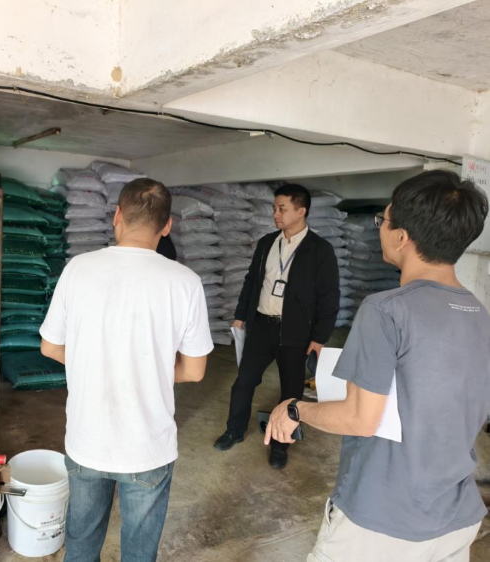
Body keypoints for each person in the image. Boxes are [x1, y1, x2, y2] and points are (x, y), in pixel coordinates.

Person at [265, 170, 490, 562]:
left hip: (381, 523)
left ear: (401, 237)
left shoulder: (385, 310)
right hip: (455, 519)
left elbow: (360, 419)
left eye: (382, 220)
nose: (380, 229)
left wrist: (295, 409)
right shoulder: (479, 314)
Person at [40, 178, 214, 562]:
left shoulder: (78, 269)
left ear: (117, 215)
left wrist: (96, 359)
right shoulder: (186, 282)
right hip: (147, 448)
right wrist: (147, 368)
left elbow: (50, 347)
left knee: (81, 547)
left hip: (87, 442)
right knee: (139, 553)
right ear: (167, 226)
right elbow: (195, 371)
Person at [214, 184, 340, 469]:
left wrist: (319, 338)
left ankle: (281, 445)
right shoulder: (267, 243)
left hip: (296, 332)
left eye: (282, 208)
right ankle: (234, 430)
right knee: (244, 381)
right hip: (261, 326)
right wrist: (240, 315)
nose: (276, 214)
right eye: (274, 209)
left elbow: (329, 297)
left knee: (291, 391)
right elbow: (251, 282)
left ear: (301, 211)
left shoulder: (320, 250)